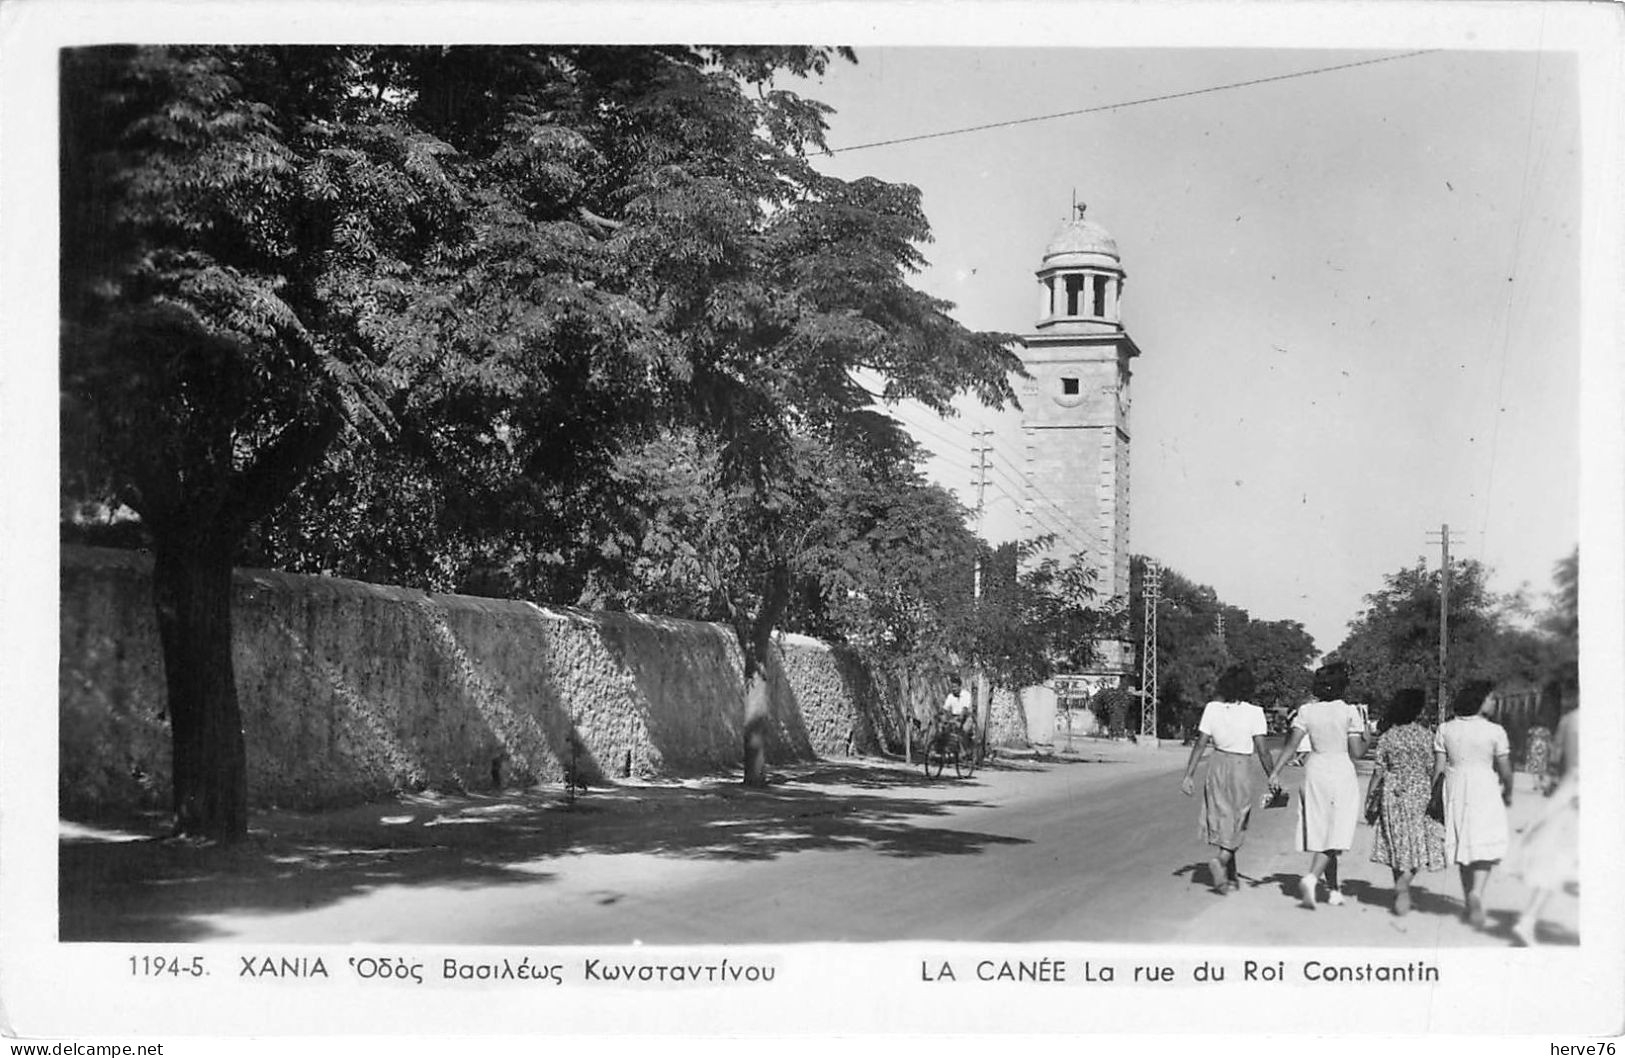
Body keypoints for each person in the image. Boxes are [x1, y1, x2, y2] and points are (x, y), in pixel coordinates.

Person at [1265, 661, 1370, 910]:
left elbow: (1291, 745)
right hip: (1341, 771)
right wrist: (1366, 733)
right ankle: (1312, 879)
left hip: (1316, 770)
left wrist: (1275, 772)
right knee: (1337, 833)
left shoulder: (1306, 711)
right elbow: (1357, 752)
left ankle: (1333, 889)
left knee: (1324, 831)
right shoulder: (1349, 712)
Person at [1180, 665, 1273, 894]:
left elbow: (1201, 743)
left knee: (1224, 819)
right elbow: (1262, 750)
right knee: (1239, 819)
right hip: (1241, 766)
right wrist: (1273, 773)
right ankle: (1221, 861)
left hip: (1216, 764)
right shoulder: (1255, 712)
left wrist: (1189, 775)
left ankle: (1230, 879)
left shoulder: (1212, 708)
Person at [1435, 679, 1514, 929]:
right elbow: (1505, 769)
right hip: (1485, 787)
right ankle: (1477, 893)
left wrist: (1435, 795)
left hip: (1456, 785)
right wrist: (1509, 790)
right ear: (1480, 701)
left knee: (1462, 842)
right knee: (1483, 841)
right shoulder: (1495, 731)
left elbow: (1438, 768)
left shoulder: (1445, 729)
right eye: (1491, 698)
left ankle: (1469, 894)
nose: (1494, 702)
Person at [1508, 684, 1579, 946]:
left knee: (1560, 856)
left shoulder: (1569, 720)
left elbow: (1557, 757)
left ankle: (1530, 918)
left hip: (1569, 787)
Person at [1367, 687, 1447, 915]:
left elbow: (1378, 771)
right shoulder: (1426, 736)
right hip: (1419, 793)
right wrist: (1433, 794)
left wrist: (1369, 799)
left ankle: (1400, 889)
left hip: (1392, 794)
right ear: (1418, 710)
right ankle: (1404, 886)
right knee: (1418, 843)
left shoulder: (1387, 737)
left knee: (1396, 842)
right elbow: (1434, 769)